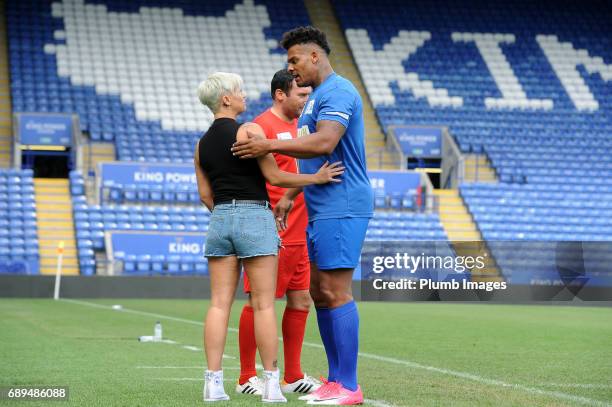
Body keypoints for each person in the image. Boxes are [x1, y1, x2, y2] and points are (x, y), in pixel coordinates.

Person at [231, 27, 373, 405]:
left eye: (294, 60)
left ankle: (349, 385)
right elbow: (317, 157)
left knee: (335, 292)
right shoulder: (316, 99)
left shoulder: (339, 91)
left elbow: (325, 142)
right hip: (320, 204)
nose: (290, 69)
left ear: (314, 56)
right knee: (320, 293)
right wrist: (291, 194)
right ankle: (336, 379)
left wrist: (269, 143)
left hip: (342, 203)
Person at [194, 71, 345, 402]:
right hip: (254, 215)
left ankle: (212, 383)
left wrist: (227, 216)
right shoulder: (250, 130)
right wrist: (316, 178)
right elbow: (275, 175)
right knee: (263, 305)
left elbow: (205, 195)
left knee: (219, 304)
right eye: (240, 90)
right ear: (226, 99)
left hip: (219, 218)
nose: (245, 95)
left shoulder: (201, 144)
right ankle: (272, 385)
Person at [236, 69, 321, 396]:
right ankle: (246, 376)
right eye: (300, 95)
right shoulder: (259, 128)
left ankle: (293, 374)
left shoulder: (302, 128)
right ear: (280, 94)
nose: (305, 101)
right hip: (272, 231)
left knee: (301, 301)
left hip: (301, 230)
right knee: (260, 301)